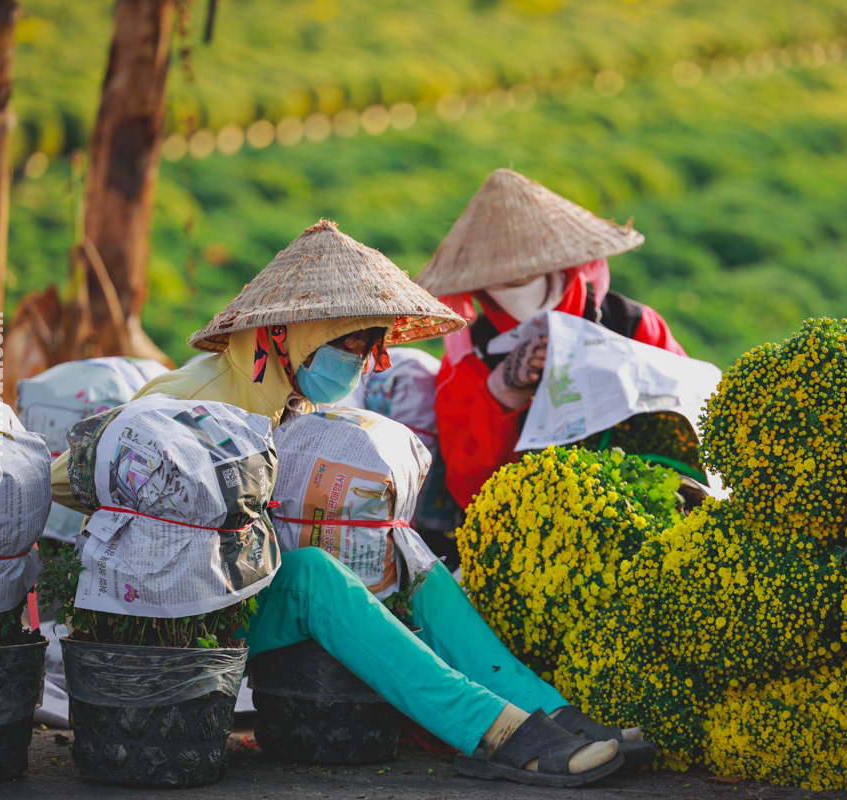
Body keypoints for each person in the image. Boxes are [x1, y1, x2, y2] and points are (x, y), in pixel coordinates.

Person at [48, 220, 651, 786]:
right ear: (288, 335)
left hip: (241, 597)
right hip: (179, 617)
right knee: (313, 575)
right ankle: (493, 732)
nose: (360, 362)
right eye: (348, 344)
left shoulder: (288, 397)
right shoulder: (192, 396)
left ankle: (547, 711)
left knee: (414, 565)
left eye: (369, 347)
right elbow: (64, 477)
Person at [419, 168, 686, 507]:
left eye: (531, 270)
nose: (519, 282)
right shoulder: (470, 361)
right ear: (476, 286)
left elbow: (689, 415)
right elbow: (469, 491)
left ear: (565, 262)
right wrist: (501, 393)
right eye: (503, 278)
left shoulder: (633, 325)